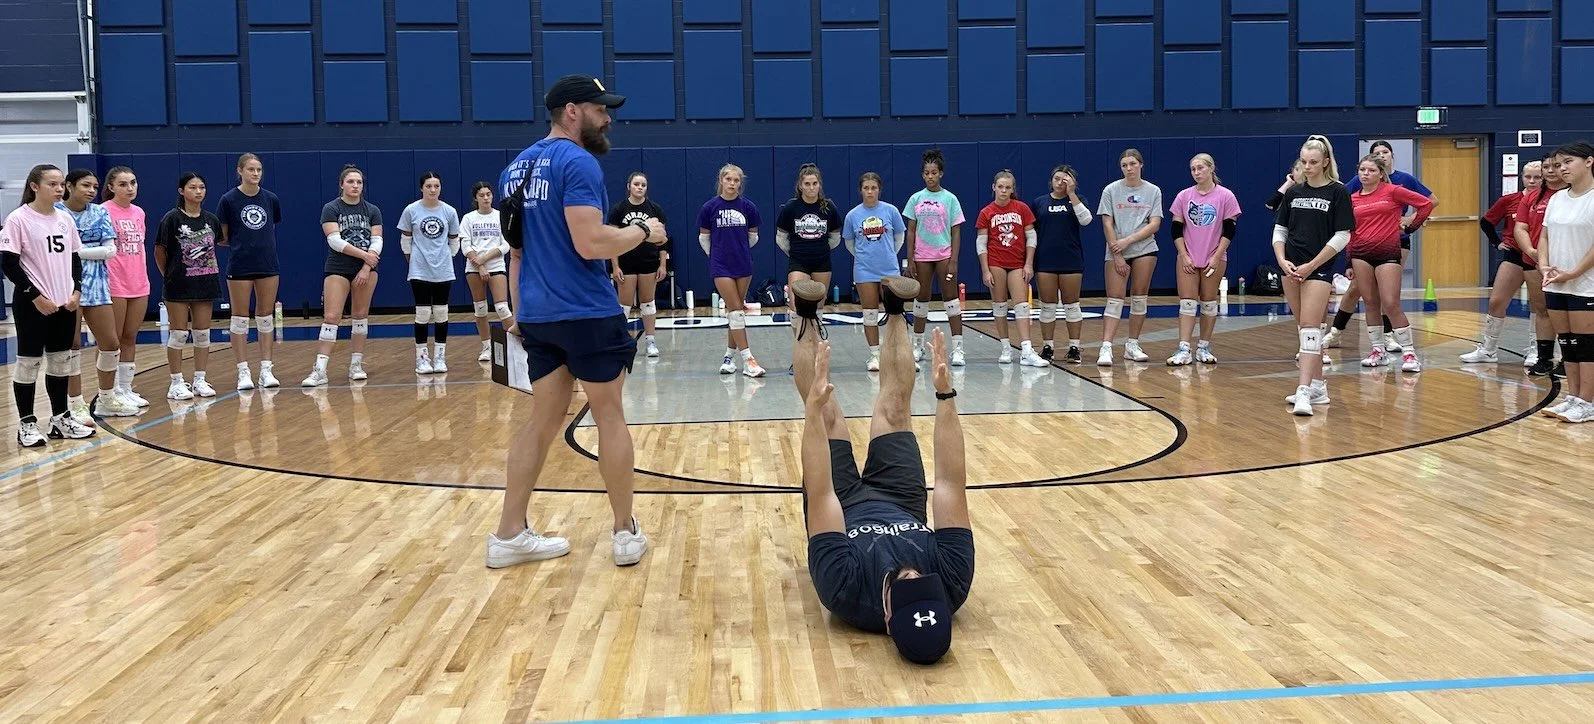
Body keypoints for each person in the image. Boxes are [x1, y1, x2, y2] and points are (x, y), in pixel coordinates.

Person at [489, 73, 665, 568]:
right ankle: (624, 532)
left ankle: (508, 534)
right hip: (586, 312)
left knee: (543, 420)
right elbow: (590, 243)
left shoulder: (515, 170)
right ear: (572, 111)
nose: (607, 118)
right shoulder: (578, 161)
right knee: (609, 415)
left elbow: (516, 252)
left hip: (540, 315)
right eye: (600, 108)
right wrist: (643, 231)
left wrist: (519, 315)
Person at [789, 275, 974, 665]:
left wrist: (811, 414)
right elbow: (949, 483)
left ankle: (805, 315)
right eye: (924, 587)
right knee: (895, 409)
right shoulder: (953, 580)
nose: (913, 578)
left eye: (907, 593)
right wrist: (945, 395)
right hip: (901, 502)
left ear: (888, 620)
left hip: (841, 507)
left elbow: (820, 493)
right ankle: (894, 308)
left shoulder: (844, 588)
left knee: (826, 412)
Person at [2, 164, 96, 446]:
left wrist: (76, 291)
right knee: (28, 363)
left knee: (60, 361)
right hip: (33, 303)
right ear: (34, 186)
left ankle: (60, 418)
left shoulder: (64, 219)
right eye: (52, 184)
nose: (59, 189)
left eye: (61, 184)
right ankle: (27, 424)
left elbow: (75, 258)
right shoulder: (19, 219)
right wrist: (35, 296)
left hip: (64, 303)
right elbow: (9, 264)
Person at [1328, 140, 1436, 352]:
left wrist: (1410, 223)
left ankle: (1399, 344)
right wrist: (1349, 260)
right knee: (1363, 295)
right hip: (1362, 251)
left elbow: (1429, 202)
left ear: (1386, 164)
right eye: (1362, 170)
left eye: (1385, 152)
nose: (1365, 173)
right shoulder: (1354, 193)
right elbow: (1350, 225)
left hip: (1391, 245)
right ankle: (1347, 337)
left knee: (1390, 299)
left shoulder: (1399, 185)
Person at [1275, 137, 1356, 416]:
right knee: (1304, 328)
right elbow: (1280, 230)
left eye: (1313, 162)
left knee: (1311, 327)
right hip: (1291, 267)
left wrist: (1312, 265)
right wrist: (1281, 259)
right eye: (1304, 162)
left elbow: (1343, 235)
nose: (1307, 167)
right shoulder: (1293, 193)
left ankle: (1303, 390)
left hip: (1318, 268)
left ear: (1325, 162)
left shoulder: (1338, 191)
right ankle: (1319, 387)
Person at [59, 169, 138, 418]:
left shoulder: (99, 212)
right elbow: (59, 253)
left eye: (94, 186)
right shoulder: (57, 213)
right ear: (69, 186)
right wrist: (91, 250)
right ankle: (75, 403)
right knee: (72, 346)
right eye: (85, 185)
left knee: (111, 344)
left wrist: (76, 251)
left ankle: (106, 398)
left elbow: (110, 250)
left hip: (98, 286)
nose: (91, 191)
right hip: (66, 287)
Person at [302, 164, 382, 387]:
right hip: (338, 266)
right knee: (331, 316)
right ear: (341, 184)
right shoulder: (331, 208)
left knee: (360, 315)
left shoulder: (372, 210)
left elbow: (377, 240)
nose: (355, 186)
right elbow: (334, 241)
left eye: (359, 182)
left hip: (366, 269)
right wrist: (365, 256)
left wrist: (366, 267)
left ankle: (356, 365)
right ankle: (320, 370)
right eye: (351, 182)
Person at [153, 172, 225, 399]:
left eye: (201, 187)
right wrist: (169, 275)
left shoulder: (211, 219)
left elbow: (216, 244)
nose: (198, 191)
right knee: (179, 334)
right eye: (193, 187)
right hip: (178, 285)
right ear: (181, 191)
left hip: (206, 282)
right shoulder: (172, 219)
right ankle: (176, 382)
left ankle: (199, 380)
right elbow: (160, 250)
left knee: (202, 334)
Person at [1538, 141, 1594, 423]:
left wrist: (1573, 272)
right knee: (1568, 343)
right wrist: (1543, 265)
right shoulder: (1557, 198)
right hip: (1555, 282)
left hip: (1586, 284)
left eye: (1568, 162)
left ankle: (1588, 401)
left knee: (1587, 345)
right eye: (1559, 164)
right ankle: (1573, 397)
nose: (1561, 169)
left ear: (1589, 162)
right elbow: (1545, 236)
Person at [1167, 154, 1240, 366]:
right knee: (1187, 302)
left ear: (1211, 168)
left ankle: (1203, 347)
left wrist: (1216, 256)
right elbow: (1176, 229)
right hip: (1188, 256)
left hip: (1214, 257)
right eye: (1193, 169)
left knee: (1208, 302)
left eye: (1200, 168)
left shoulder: (1225, 196)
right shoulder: (1184, 196)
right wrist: (1184, 255)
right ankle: (1184, 348)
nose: (1197, 172)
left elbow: (1229, 230)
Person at [1460, 161, 1537, 364]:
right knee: (1497, 301)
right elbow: (1486, 222)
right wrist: (1497, 243)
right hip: (1514, 255)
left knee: (1538, 305)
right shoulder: (1510, 200)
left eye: (1537, 177)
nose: (1532, 181)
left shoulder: (1550, 201)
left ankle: (1536, 349)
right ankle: (1488, 349)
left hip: (1539, 258)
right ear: (1522, 177)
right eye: (1528, 177)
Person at [218, 152, 282, 390]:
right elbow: (223, 237)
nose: (255, 173)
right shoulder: (228, 200)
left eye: (259, 170)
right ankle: (243, 371)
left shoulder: (271, 199)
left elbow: (269, 228)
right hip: (240, 265)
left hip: (267, 264)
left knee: (265, 317)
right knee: (239, 318)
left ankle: (266, 369)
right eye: (251, 169)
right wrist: (243, 244)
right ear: (240, 171)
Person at [1096, 149, 1163, 366]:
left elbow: (1154, 224)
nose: (1129, 168)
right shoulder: (1111, 190)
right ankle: (1106, 347)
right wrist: (1118, 254)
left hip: (1144, 248)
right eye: (1124, 165)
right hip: (1117, 250)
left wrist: (1129, 240)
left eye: (1133, 164)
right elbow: (1107, 223)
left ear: (1141, 164)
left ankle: (1132, 344)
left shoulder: (1153, 191)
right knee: (1115, 299)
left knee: (1139, 297)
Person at [698, 164, 766, 377]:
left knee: (734, 312)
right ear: (721, 180)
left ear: (740, 183)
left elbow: (753, 237)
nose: (732, 183)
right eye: (728, 179)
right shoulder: (709, 207)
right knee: (736, 311)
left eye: (736, 180)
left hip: (743, 264)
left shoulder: (748, 207)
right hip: (720, 265)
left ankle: (729, 357)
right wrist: (717, 256)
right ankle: (748, 360)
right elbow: (704, 238)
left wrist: (739, 249)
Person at [903, 149, 967, 366]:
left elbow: (956, 232)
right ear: (922, 175)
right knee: (921, 299)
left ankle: (958, 349)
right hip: (922, 256)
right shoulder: (915, 198)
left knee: (951, 299)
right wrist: (910, 259)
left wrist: (954, 260)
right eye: (927, 173)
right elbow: (911, 231)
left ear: (941, 174)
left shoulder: (950, 199)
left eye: (934, 173)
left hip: (943, 254)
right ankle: (917, 345)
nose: (930, 176)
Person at [975, 170, 1043, 366]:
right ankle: (1005, 347)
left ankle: (1027, 350)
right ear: (994, 188)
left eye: (1007, 187)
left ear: (1013, 189)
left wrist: (1029, 263)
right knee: (1000, 305)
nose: (1004, 191)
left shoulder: (1022, 208)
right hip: (996, 262)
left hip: (1017, 263)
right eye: (1000, 187)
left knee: (1022, 305)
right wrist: (985, 270)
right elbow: (981, 243)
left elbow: (1031, 237)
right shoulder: (986, 212)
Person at [844, 172, 908, 371]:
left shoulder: (891, 211)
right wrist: (864, 257)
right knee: (870, 313)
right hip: (864, 270)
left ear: (879, 189)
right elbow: (849, 243)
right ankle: (875, 355)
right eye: (866, 188)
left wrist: (888, 255)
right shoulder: (853, 215)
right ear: (860, 190)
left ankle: (899, 354)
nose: (870, 192)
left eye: (873, 188)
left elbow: (899, 237)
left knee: (895, 313)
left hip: (889, 269)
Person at [399, 171, 462, 374]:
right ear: (421, 188)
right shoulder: (411, 210)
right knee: (423, 313)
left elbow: (454, 240)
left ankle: (440, 357)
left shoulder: (449, 211)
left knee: (442, 313)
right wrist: (414, 261)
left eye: (436, 186)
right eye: (429, 186)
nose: (433, 190)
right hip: (419, 270)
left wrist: (444, 258)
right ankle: (422, 359)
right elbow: (406, 240)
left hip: (443, 270)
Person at [1032, 164, 1093, 364]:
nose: (1060, 183)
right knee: (1047, 306)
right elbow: (1030, 232)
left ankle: (1074, 348)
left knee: (1072, 306)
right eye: (1057, 179)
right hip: (1045, 261)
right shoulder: (1039, 202)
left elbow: (1086, 220)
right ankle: (1047, 347)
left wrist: (1072, 194)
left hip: (1071, 260)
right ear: (1051, 180)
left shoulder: (1077, 200)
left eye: (1065, 180)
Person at [607, 171, 669, 358]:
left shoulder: (655, 209)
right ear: (629, 186)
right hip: (626, 262)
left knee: (648, 302)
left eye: (643, 185)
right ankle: (619, 341)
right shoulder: (619, 209)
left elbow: (663, 240)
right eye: (636, 184)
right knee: (624, 304)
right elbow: (612, 240)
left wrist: (662, 265)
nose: (640, 187)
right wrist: (615, 266)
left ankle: (650, 341)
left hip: (648, 261)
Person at [102, 166, 150, 408]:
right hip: (114, 282)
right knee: (113, 339)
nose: (129, 188)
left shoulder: (139, 212)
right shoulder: (103, 211)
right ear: (111, 187)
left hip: (138, 281)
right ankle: (109, 391)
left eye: (133, 182)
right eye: (122, 184)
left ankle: (126, 388)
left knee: (130, 336)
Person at [1518, 153, 1567, 376]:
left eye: (1555, 166)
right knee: (1542, 309)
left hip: (1564, 263)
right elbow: (1521, 227)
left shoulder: (1573, 195)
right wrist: (1532, 252)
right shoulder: (1532, 197)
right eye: (1546, 167)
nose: (1550, 170)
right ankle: (1544, 359)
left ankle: (1568, 359)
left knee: (1566, 311)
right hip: (1533, 261)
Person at [776, 163, 843, 323]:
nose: (811, 188)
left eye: (814, 183)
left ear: (819, 184)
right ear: (800, 186)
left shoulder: (828, 207)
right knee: (796, 306)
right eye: (807, 184)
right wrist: (795, 252)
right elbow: (781, 238)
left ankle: (815, 339)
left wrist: (821, 249)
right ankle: (800, 338)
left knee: (817, 309)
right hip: (798, 261)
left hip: (822, 262)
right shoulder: (791, 207)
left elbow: (835, 237)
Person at [460, 181, 514, 362]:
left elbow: (506, 245)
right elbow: (465, 245)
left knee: (502, 307)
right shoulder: (468, 218)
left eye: (488, 195)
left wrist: (485, 259)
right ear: (475, 198)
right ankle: (486, 346)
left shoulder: (499, 216)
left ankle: (514, 345)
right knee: (481, 308)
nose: (485, 198)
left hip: (496, 265)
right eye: (481, 195)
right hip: (474, 268)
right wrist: (479, 264)